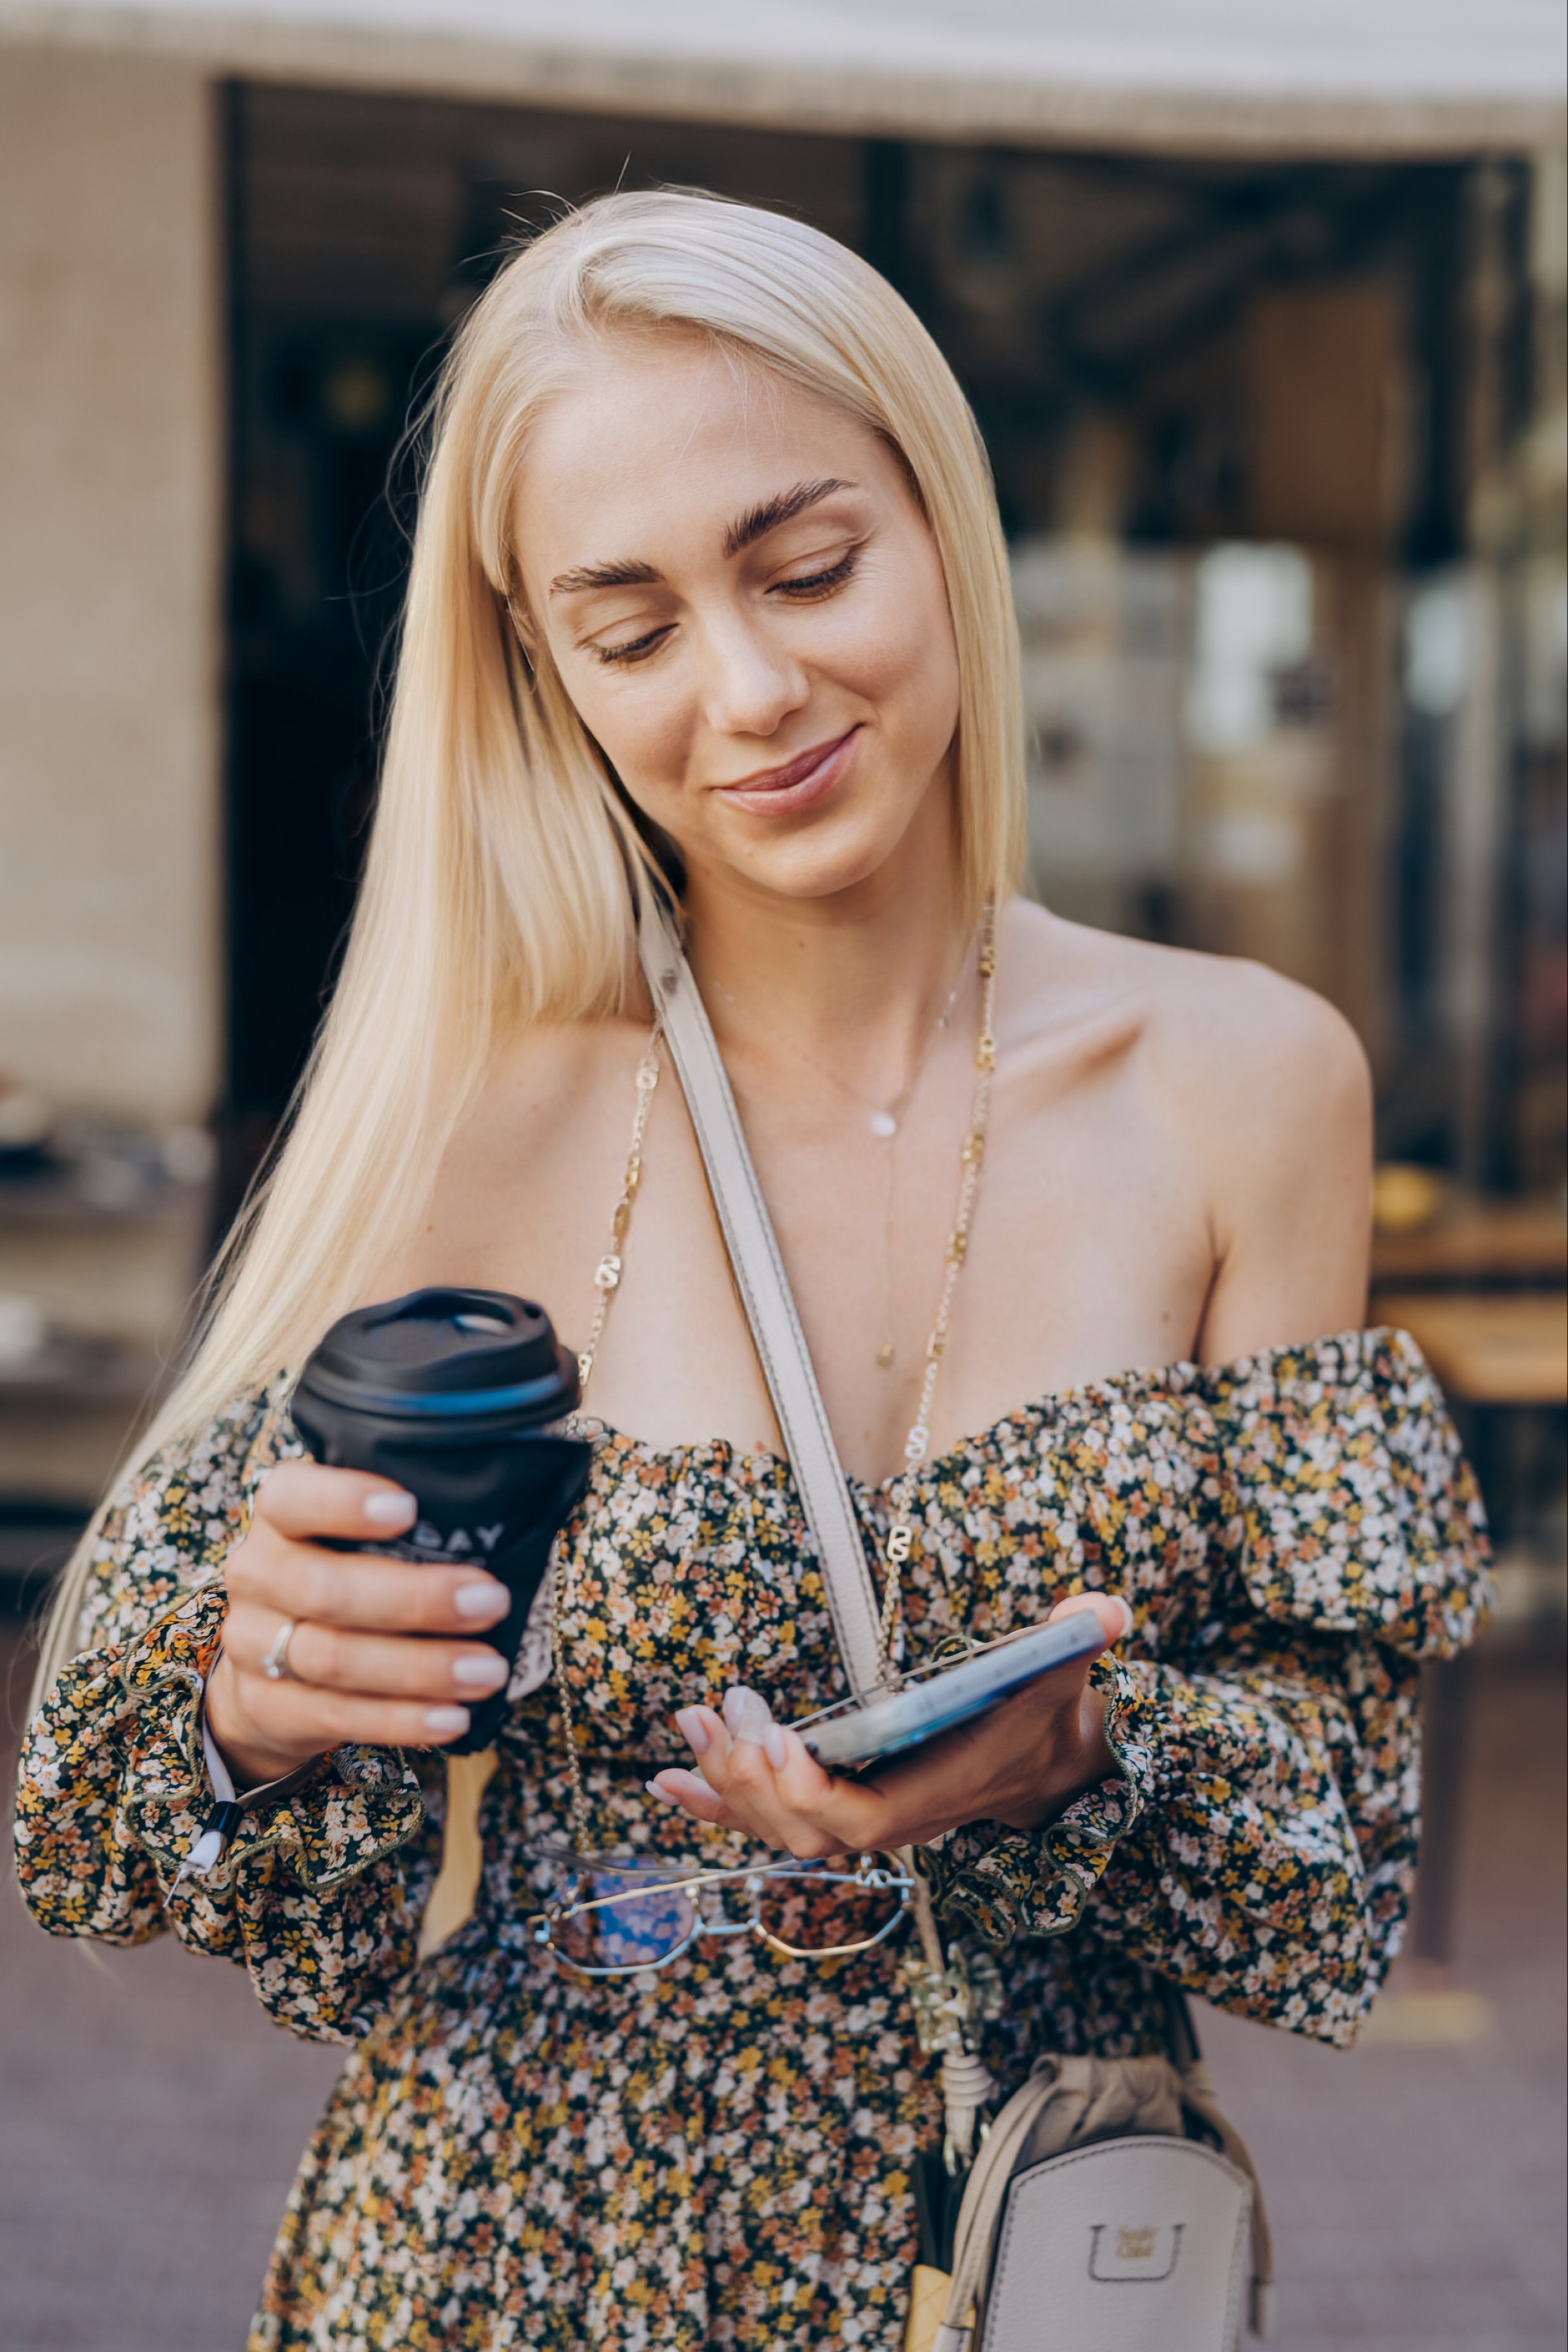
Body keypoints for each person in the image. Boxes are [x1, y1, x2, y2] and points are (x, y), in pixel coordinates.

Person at [15, 191, 1488, 2352]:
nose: (757, 686)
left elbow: (1342, 1847)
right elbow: (106, 1824)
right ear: (543, 676)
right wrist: (260, 1701)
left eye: (809, 569)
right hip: (512, 2248)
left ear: (941, 512)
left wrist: (1089, 1750)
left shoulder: (1247, 1080)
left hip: (1033, 2248)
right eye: (634, 631)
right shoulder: (472, 1104)